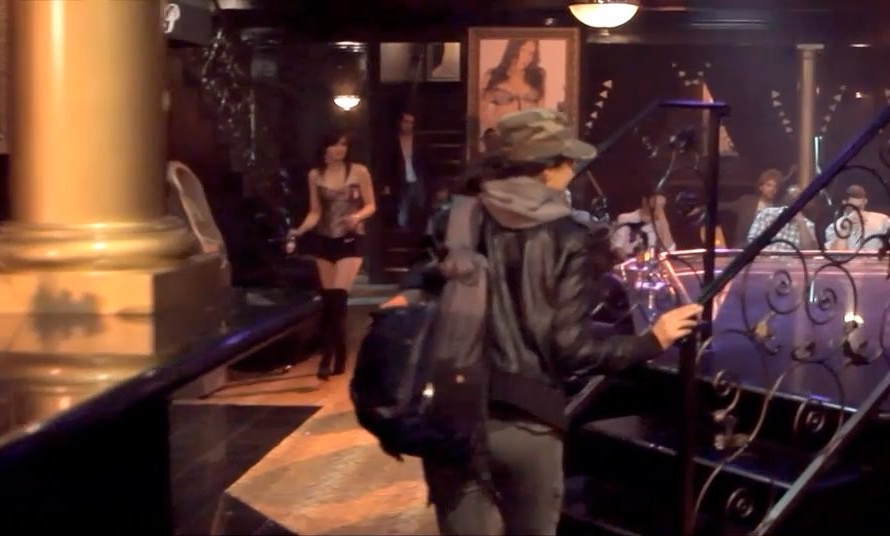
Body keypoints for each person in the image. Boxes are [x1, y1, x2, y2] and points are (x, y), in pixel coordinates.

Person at [385, 108, 703, 535]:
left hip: (451, 413)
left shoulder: (452, 219)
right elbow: (572, 350)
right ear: (546, 169)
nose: (572, 170)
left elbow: (416, 301)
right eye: (567, 160)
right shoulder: (566, 235)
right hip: (527, 421)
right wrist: (652, 340)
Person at [286, 132, 376, 379]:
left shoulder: (359, 171)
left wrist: (357, 216)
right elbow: (315, 212)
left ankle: (326, 358)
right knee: (330, 302)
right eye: (335, 144)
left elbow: (371, 205)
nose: (339, 149)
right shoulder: (315, 175)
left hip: (351, 239)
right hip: (324, 240)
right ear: (325, 148)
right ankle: (341, 350)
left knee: (338, 296)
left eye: (343, 145)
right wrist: (299, 230)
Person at [478, 39, 546, 148]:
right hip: (501, 141)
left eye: (531, 53)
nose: (527, 57)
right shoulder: (493, 75)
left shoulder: (538, 75)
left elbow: (541, 109)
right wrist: (494, 130)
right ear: (513, 49)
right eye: (523, 50)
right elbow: (481, 110)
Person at [823, 184, 890, 252]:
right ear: (844, 203)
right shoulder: (834, 227)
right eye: (852, 207)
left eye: (860, 207)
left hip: (875, 269)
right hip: (849, 270)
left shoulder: (882, 220)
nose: (857, 212)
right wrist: (845, 230)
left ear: (865, 202)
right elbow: (837, 256)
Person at [609, 194, 677, 261]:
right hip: (629, 262)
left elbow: (669, 250)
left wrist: (664, 223)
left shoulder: (660, 224)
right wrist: (629, 261)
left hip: (651, 264)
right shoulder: (626, 218)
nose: (658, 209)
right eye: (656, 204)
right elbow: (616, 246)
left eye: (662, 205)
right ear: (645, 201)